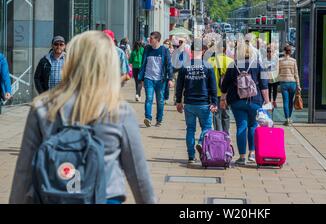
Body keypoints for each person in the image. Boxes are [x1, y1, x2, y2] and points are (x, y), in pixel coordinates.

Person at [9, 31, 156, 204]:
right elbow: (139, 176)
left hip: (52, 194)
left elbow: (24, 172)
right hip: (105, 196)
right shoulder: (118, 110)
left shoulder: (43, 107)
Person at [220, 38, 270, 166]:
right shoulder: (259, 65)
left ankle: (242, 157)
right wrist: (267, 101)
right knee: (253, 126)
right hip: (255, 100)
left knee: (241, 126)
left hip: (237, 100)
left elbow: (224, 85)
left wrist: (223, 98)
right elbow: (264, 85)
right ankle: (252, 154)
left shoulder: (233, 65)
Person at [175, 40, 218, 164]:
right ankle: (200, 142)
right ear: (203, 51)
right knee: (207, 127)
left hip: (189, 103)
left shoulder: (185, 66)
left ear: (191, 51)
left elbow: (179, 86)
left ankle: (191, 156)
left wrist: (179, 101)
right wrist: (214, 102)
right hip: (204, 103)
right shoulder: (208, 66)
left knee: (190, 129)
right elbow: (213, 87)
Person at [139, 31, 174, 128]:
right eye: (150, 38)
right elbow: (143, 64)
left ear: (157, 40)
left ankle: (159, 120)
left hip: (160, 80)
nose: (149, 40)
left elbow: (169, 65)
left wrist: (170, 79)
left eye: (152, 38)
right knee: (149, 98)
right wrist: (141, 78)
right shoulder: (147, 49)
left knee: (160, 100)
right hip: (148, 78)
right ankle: (148, 118)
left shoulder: (164, 50)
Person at [208, 40, 234, 134]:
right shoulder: (230, 61)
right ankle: (226, 134)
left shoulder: (210, 61)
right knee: (226, 114)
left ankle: (218, 134)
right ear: (224, 49)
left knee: (216, 115)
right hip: (227, 93)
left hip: (214, 92)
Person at [278, 44, 301, 126]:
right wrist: (298, 85)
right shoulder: (293, 61)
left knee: (285, 101)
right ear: (290, 52)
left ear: (284, 51)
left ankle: (287, 118)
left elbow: (278, 72)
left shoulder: (280, 61)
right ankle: (289, 118)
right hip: (292, 83)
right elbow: (296, 74)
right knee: (290, 101)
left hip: (284, 83)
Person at [265, 44, 279, 108]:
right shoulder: (264, 59)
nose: (269, 53)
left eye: (271, 51)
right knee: (269, 90)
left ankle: (274, 101)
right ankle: (269, 101)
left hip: (275, 76)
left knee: (275, 89)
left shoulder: (276, 58)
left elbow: (278, 67)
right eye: (268, 51)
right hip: (268, 77)